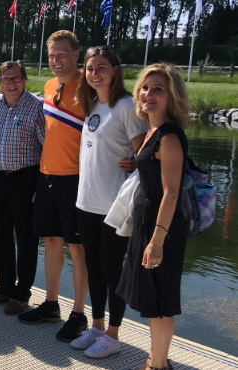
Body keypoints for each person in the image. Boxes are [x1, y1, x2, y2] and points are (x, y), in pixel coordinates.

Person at [70, 46, 147, 358]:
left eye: (101, 67)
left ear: (115, 70)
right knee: (94, 266)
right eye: (89, 69)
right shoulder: (93, 105)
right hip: (86, 201)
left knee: (113, 269)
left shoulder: (126, 106)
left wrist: (135, 162)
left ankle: (114, 335)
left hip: (114, 206)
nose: (94, 74)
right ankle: (98, 327)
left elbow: (146, 153)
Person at [116, 63, 190, 370]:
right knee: (152, 299)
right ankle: (155, 359)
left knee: (161, 302)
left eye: (158, 89)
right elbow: (156, 175)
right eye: (145, 88)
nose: (149, 94)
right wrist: (136, 165)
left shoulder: (169, 136)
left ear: (172, 96)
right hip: (149, 222)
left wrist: (157, 240)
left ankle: (159, 365)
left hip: (163, 228)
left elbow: (171, 192)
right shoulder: (152, 131)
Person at [17, 30, 89, 342]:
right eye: (51, 55)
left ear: (76, 54)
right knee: (52, 241)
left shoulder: (90, 85)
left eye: (62, 54)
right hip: (47, 176)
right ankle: (50, 304)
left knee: (77, 247)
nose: (56, 60)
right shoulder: (48, 85)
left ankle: (79, 314)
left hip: (76, 177)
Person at [0, 62, 44, 314]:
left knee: (26, 237)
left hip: (25, 178)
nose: (11, 83)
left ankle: (22, 293)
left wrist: (42, 184)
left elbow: (47, 146)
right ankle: (4, 287)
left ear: (24, 80)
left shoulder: (36, 107)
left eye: (16, 78)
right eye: (6, 79)